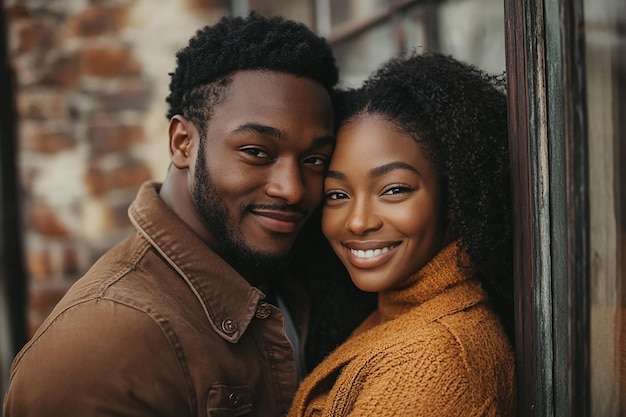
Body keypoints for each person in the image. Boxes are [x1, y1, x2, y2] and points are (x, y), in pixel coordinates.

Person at [3, 13, 376, 417]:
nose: (293, 188)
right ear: (183, 143)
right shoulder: (98, 348)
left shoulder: (303, 269)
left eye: (315, 159)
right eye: (257, 152)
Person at [288, 52, 516, 417]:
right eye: (337, 195)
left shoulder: (433, 362)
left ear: (455, 198)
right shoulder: (395, 309)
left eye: (394, 190)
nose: (358, 222)